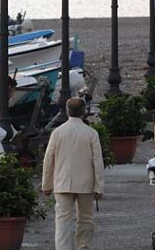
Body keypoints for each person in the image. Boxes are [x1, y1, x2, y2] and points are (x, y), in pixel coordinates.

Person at [42, 97, 105, 250]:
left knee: (63, 220)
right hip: (86, 183)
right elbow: (97, 161)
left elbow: (48, 159)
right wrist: (99, 186)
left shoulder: (57, 132)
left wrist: (46, 184)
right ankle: (83, 247)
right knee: (86, 219)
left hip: (62, 181)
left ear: (67, 110)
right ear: (84, 112)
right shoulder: (91, 133)